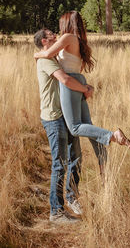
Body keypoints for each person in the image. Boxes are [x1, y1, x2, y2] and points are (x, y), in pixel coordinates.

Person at [33, 11, 130, 177]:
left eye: (60, 24)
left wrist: (35, 55)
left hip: (71, 83)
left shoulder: (67, 37)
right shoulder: (80, 42)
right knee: (89, 126)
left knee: (75, 128)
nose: (57, 30)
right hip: (79, 78)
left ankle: (113, 136)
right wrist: (84, 86)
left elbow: (47, 54)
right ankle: (103, 163)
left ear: (66, 23)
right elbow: (77, 68)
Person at [34, 27, 90, 223]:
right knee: (60, 164)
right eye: (50, 34)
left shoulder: (54, 58)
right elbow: (65, 80)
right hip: (54, 118)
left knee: (76, 158)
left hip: (66, 116)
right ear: (44, 41)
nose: (55, 35)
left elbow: (73, 72)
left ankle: (72, 197)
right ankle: (56, 211)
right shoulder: (46, 61)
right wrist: (84, 89)